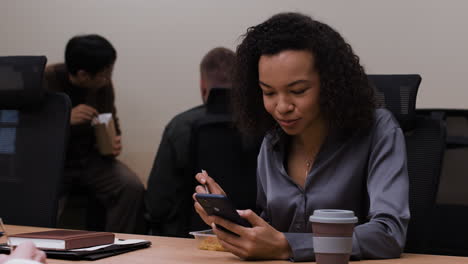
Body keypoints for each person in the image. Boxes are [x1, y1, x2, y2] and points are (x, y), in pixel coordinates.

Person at [193, 12, 410, 261]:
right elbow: (271, 232)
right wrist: (231, 220)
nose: (282, 106)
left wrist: (289, 246)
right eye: (269, 92)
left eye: (298, 90)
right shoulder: (272, 142)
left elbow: (389, 234)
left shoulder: (379, 131)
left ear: (330, 84)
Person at [145, 47, 256, 237]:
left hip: (185, 241)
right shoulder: (263, 126)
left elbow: (157, 202)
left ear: (202, 86)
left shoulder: (179, 126)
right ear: (243, 84)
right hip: (254, 240)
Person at [44, 34, 145, 234]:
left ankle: (117, 244)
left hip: (91, 160)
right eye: (105, 73)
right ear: (82, 75)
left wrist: (113, 142)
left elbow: (112, 122)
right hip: (54, 163)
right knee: (43, 197)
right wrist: (65, 120)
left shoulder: (103, 86)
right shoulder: (46, 80)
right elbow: (30, 132)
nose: (108, 79)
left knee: (130, 187)